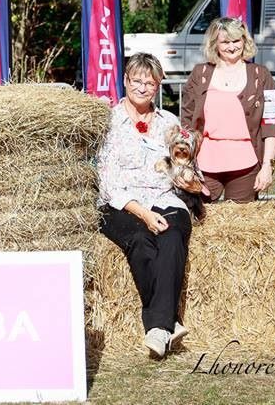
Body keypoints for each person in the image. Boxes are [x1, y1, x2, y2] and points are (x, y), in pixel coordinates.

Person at [97, 53, 198, 358]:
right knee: (141, 240)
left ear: (157, 86)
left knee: (172, 236)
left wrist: (188, 179)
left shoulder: (169, 122)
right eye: (136, 80)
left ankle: (158, 328)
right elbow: (107, 181)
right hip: (121, 203)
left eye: (149, 82)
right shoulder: (110, 121)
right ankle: (167, 322)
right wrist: (143, 214)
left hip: (165, 197)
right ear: (125, 81)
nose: (142, 87)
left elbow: (182, 163)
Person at [181, 17, 275, 203]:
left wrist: (267, 165)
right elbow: (186, 122)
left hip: (247, 164)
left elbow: (271, 123)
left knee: (241, 224)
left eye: (236, 40)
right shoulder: (199, 74)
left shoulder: (262, 75)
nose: (232, 46)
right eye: (225, 42)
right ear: (215, 44)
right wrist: (185, 165)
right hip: (205, 162)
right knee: (198, 217)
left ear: (244, 40)